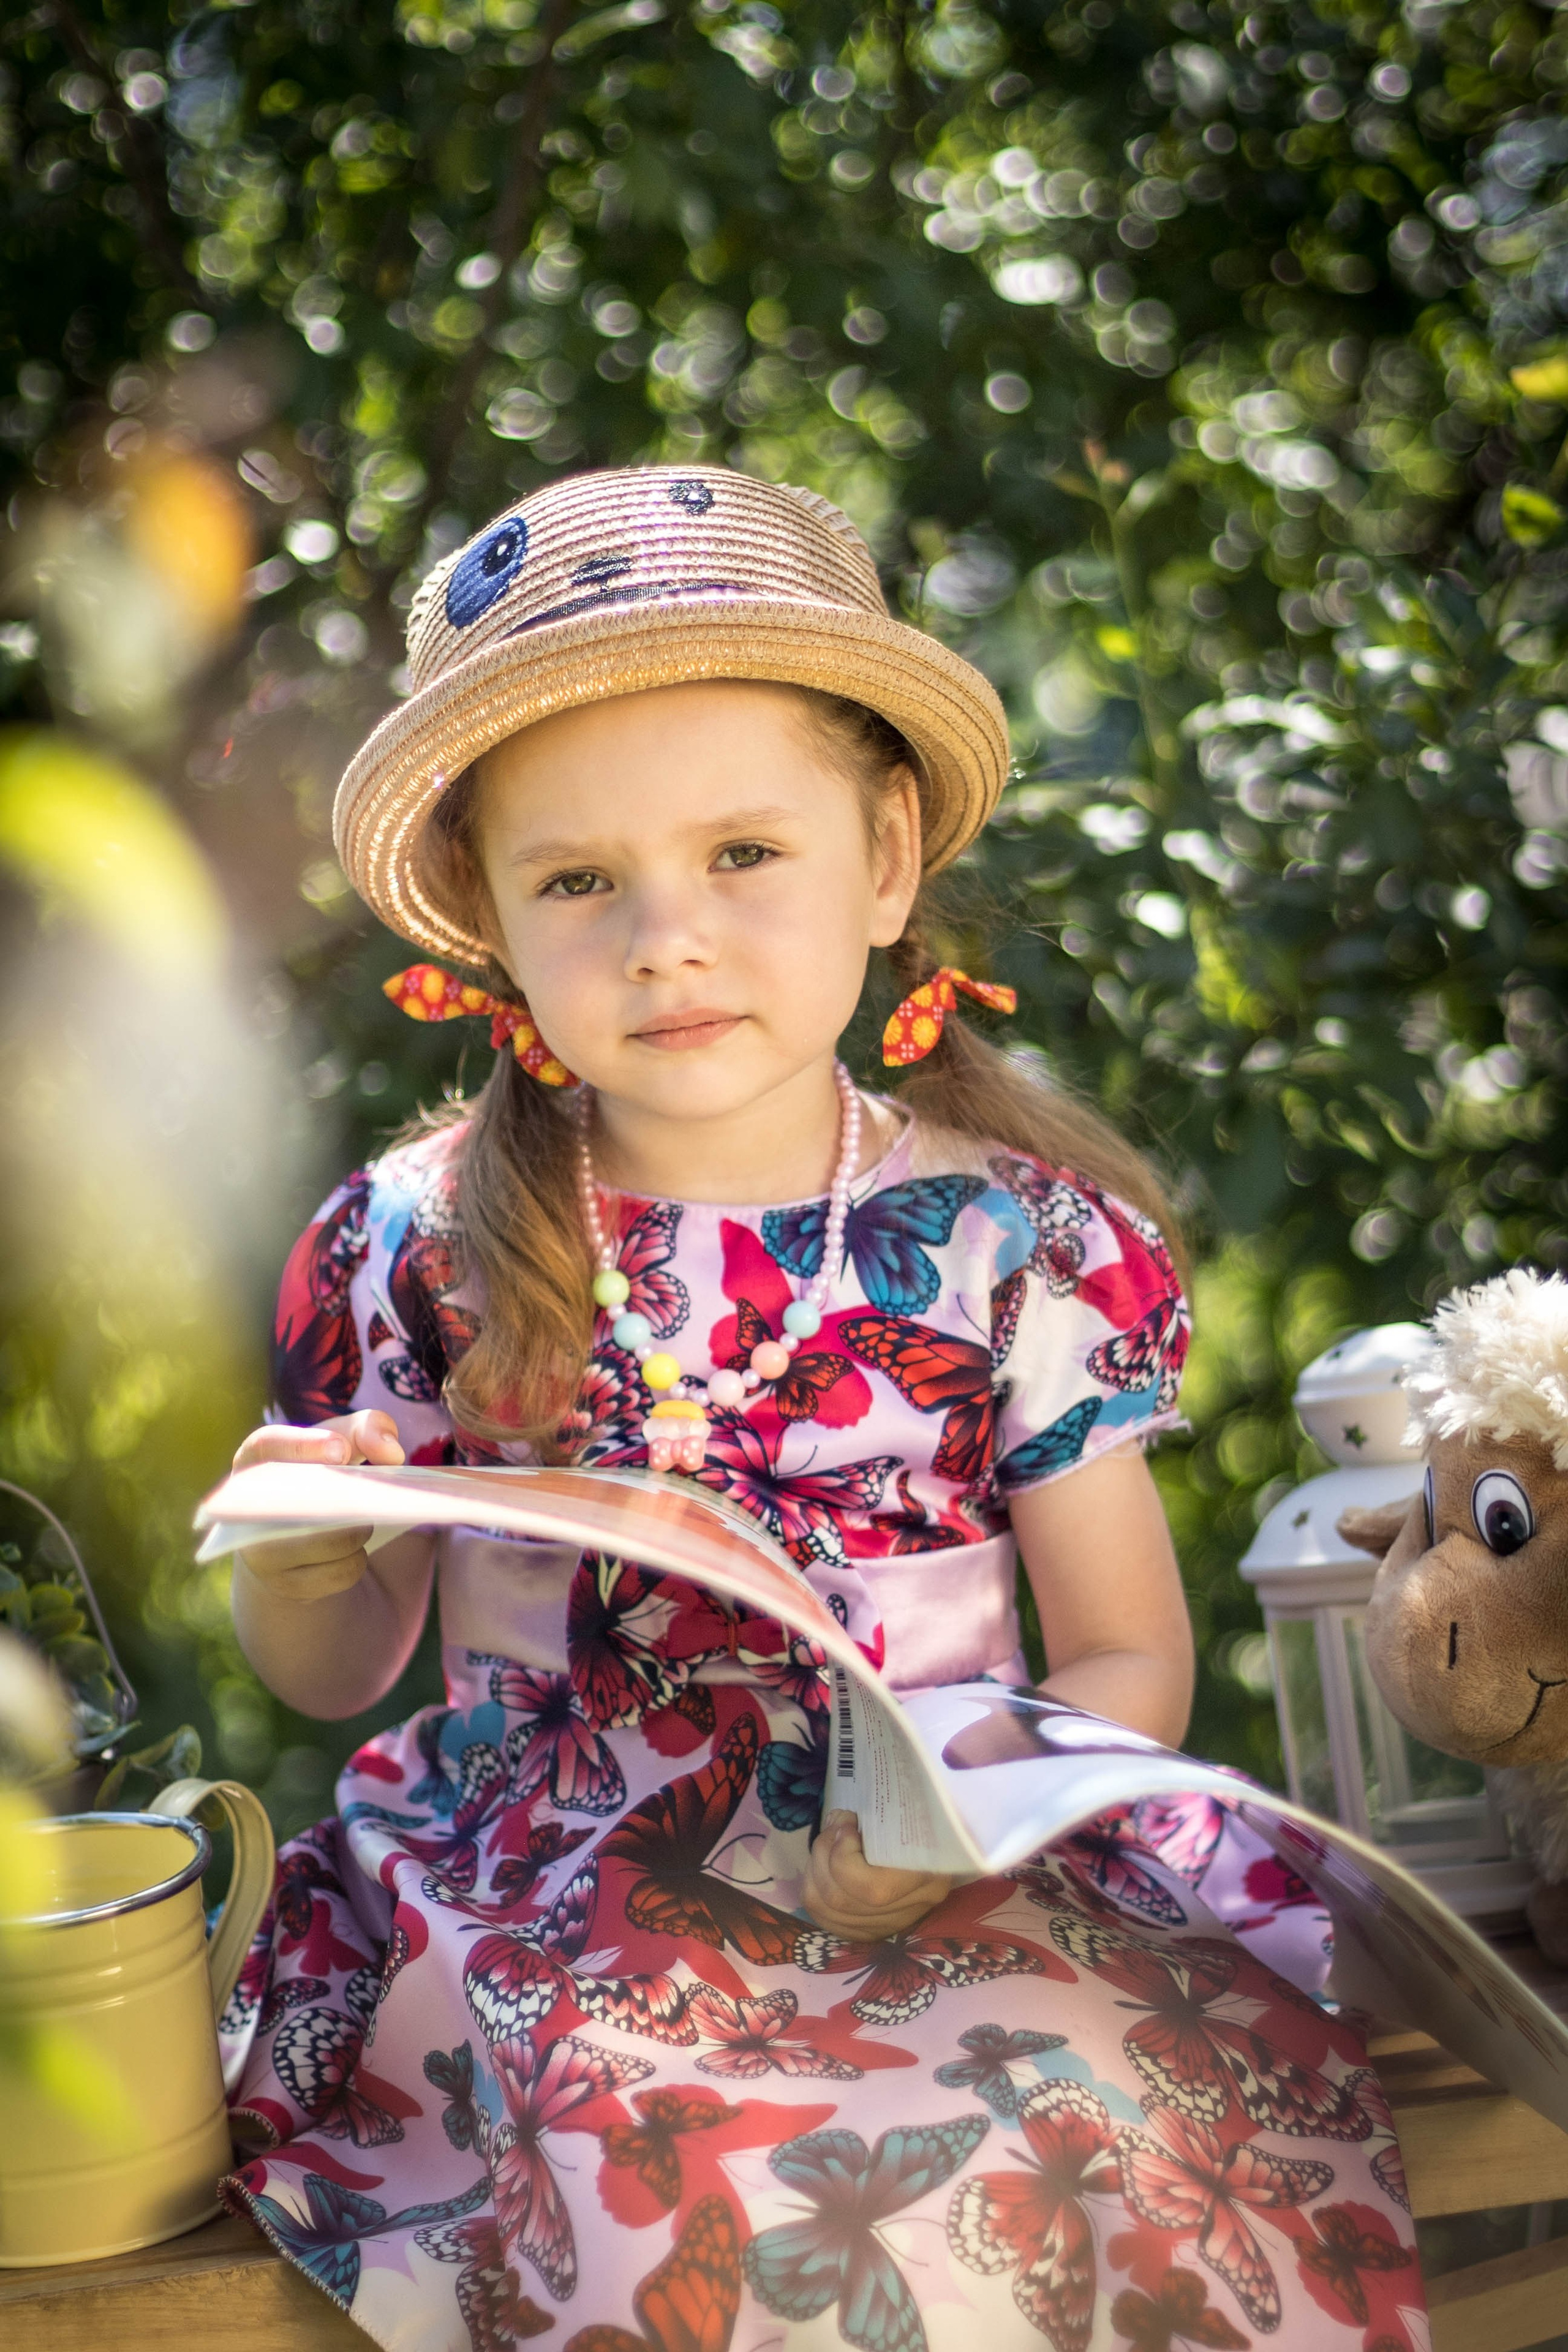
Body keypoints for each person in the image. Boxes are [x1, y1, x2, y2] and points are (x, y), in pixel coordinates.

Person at [220, 469, 1423, 2352]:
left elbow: (1124, 1659)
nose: (666, 938)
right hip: (557, 1880)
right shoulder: (417, 1246)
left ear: (884, 858)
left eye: (744, 857)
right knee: (695, 2170)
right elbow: (328, 1669)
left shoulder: (1012, 1239)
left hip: (956, 1845)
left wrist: (973, 1814)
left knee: (1110, 2124)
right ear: (486, 919)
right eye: (578, 881)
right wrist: (310, 1539)